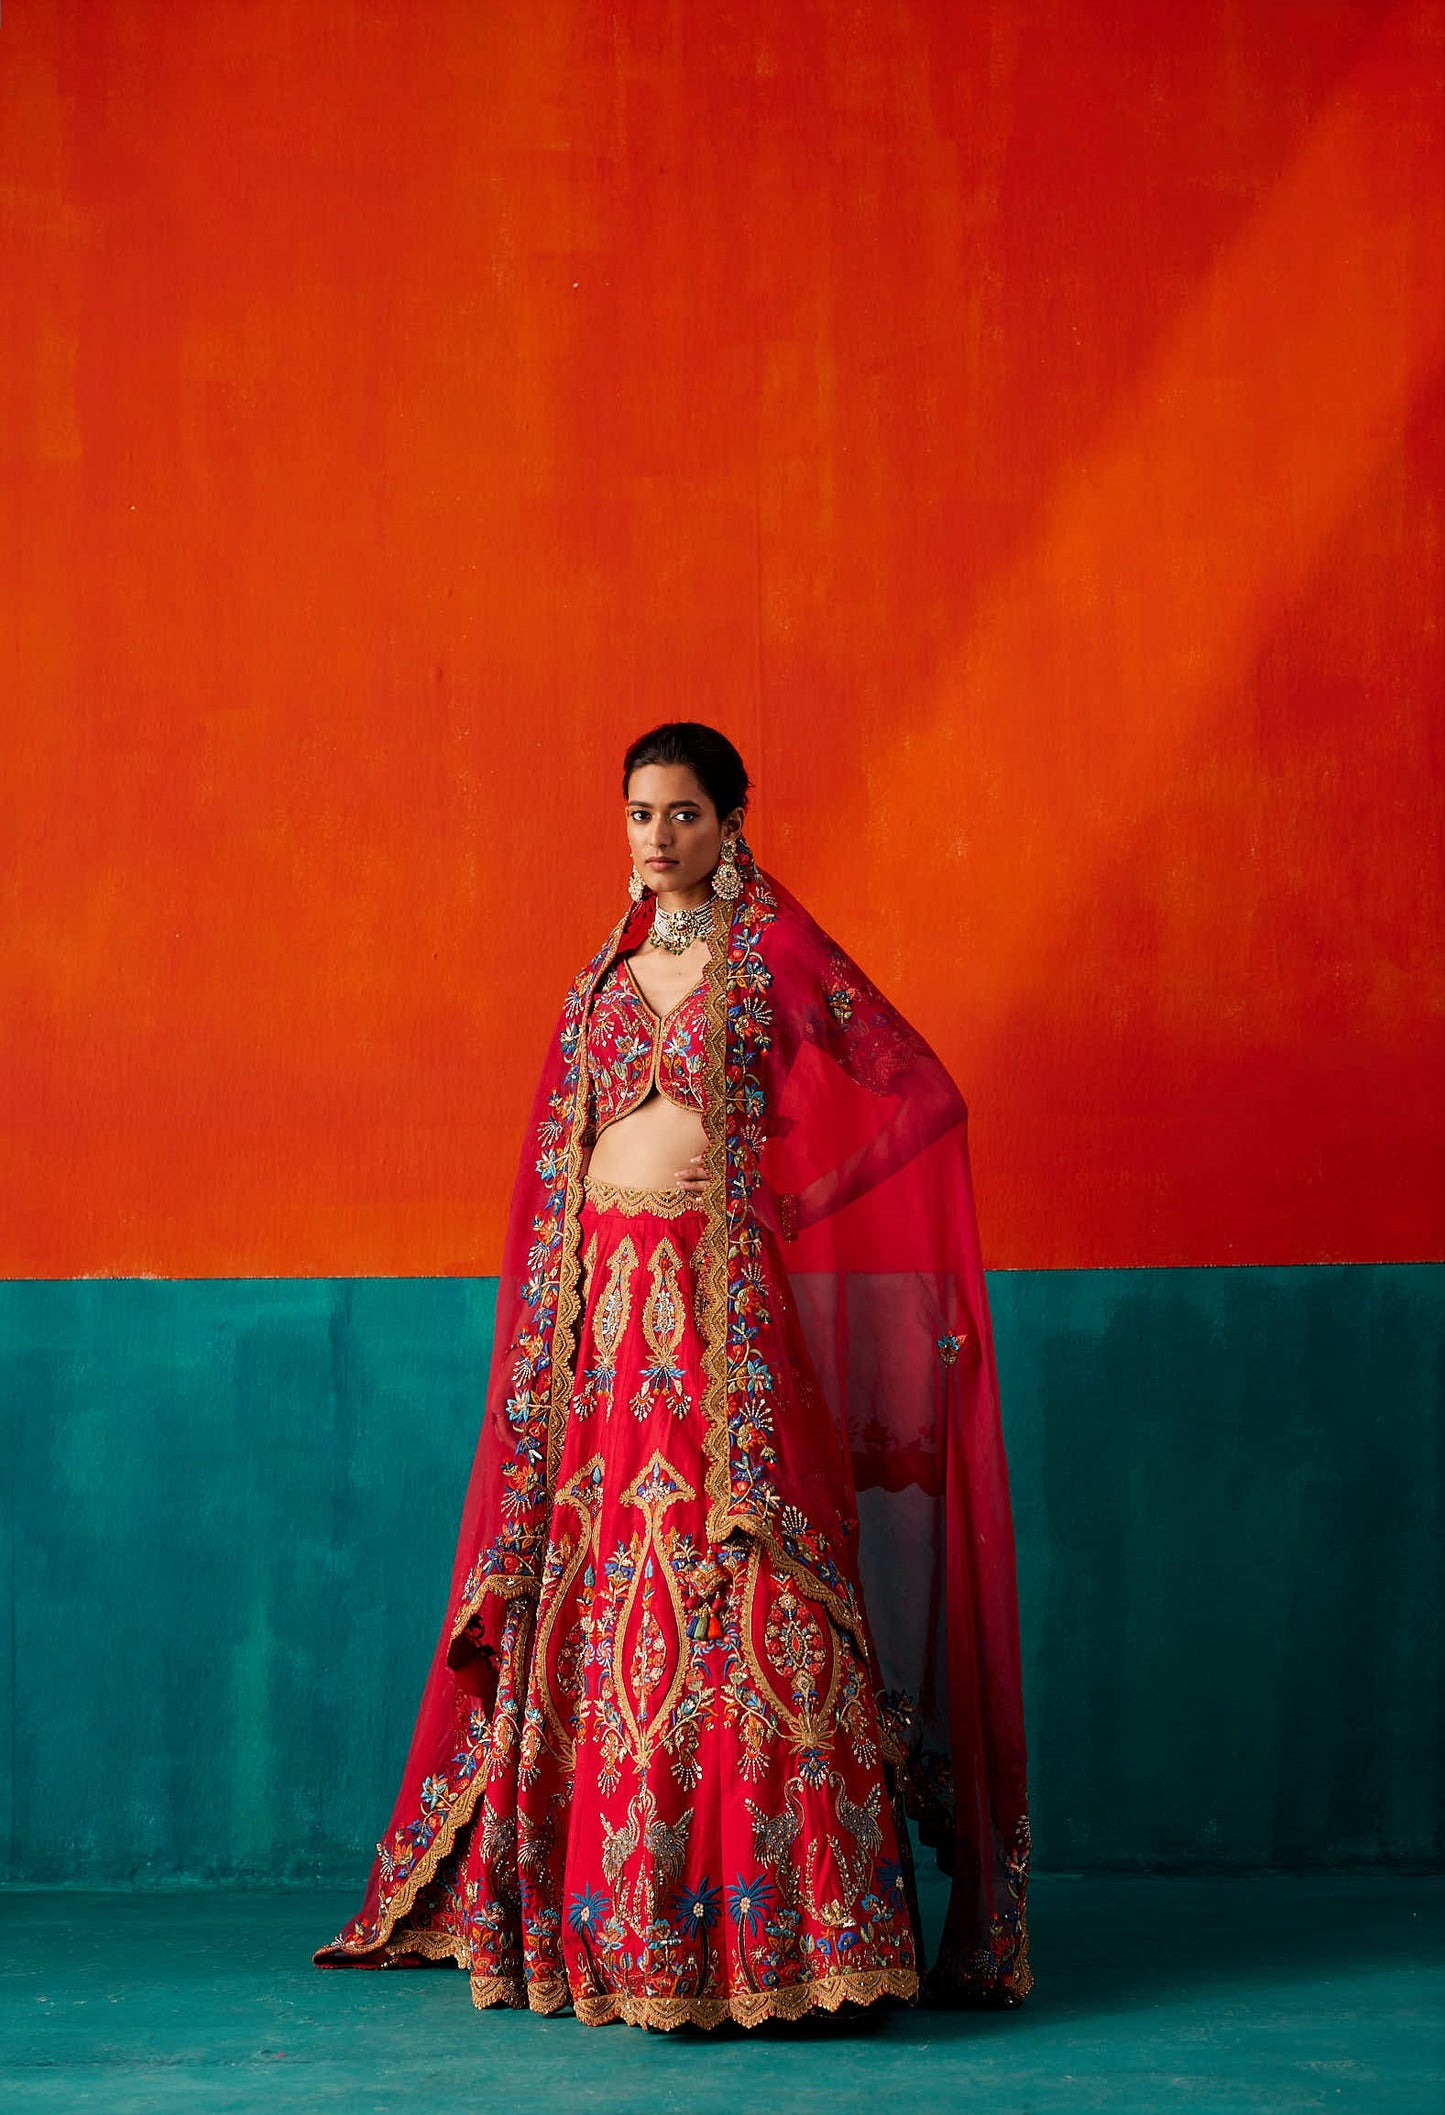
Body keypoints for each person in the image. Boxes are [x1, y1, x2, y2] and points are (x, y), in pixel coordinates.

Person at [316, 722, 1032, 2030]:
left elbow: (918, 1092)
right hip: (602, 1347)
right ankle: (617, 1929)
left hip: (725, 1343)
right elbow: (555, 1175)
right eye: (641, 813)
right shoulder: (599, 977)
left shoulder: (772, 954)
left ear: (733, 819)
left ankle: (794, 1936)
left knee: (748, 1580)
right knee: (610, 1601)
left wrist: (792, 1198)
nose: (659, 837)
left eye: (685, 813)